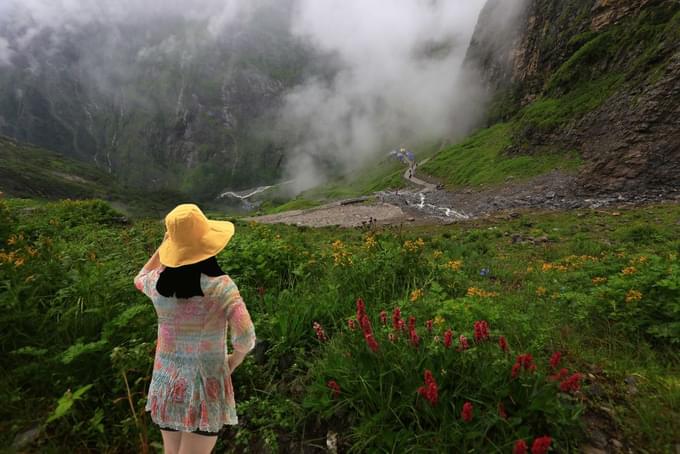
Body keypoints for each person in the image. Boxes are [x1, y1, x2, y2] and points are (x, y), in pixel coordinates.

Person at [134, 204, 256, 454]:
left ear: (173, 248)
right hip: (204, 386)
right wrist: (234, 360)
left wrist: (165, 246)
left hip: (166, 383)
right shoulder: (221, 287)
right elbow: (245, 336)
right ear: (208, 243)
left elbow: (139, 277)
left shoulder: (157, 284)